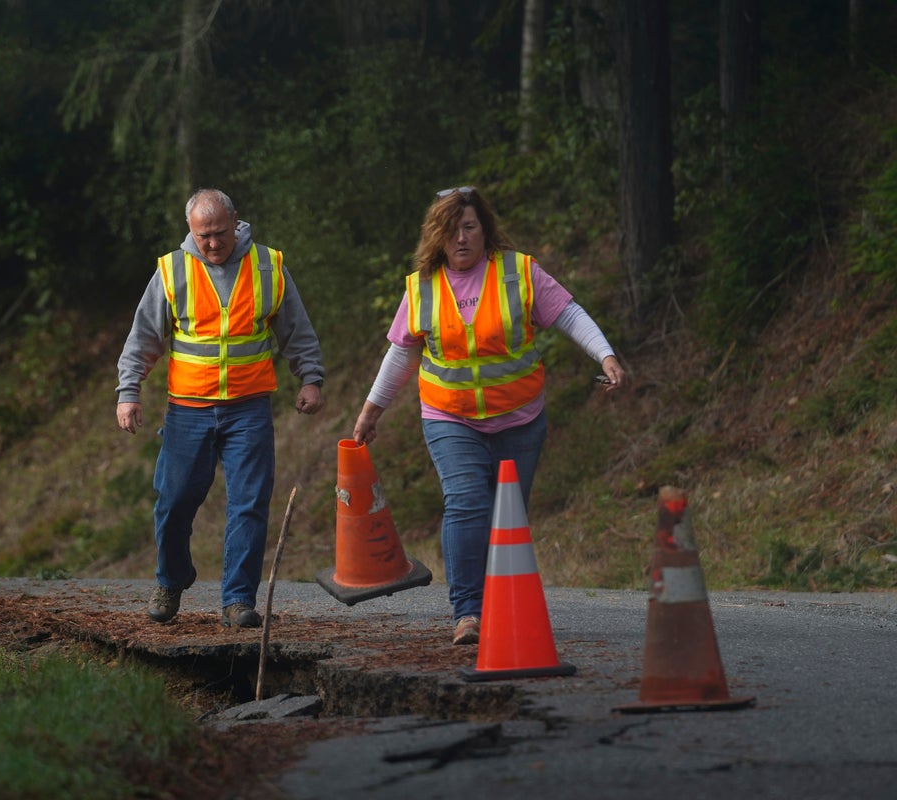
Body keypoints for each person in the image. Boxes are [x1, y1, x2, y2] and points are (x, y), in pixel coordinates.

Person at [351, 186, 626, 646]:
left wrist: (606, 356)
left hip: (520, 420)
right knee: (465, 503)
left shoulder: (519, 273)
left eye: (470, 227)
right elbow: (401, 356)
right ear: (435, 236)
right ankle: (468, 613)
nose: (461, 238)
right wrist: (370, 412)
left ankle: (504, 607)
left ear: (485, 229)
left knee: (507, 517)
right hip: (450, 418)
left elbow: (569, 315)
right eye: (450, 229)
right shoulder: (422, 287)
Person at [116, 188, 325, 629]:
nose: (211, 244)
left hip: (249, 409)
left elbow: (296, 328)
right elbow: (144, 338)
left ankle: (237, 600)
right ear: (190, 232)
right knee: (173, 502)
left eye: (219, 234)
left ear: (236, 223)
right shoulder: (173, 270)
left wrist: (310, 377)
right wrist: (128, 391)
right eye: (202, 236)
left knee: (249, 502)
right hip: (188, 411)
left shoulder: (268, 265)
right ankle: (171, 582)